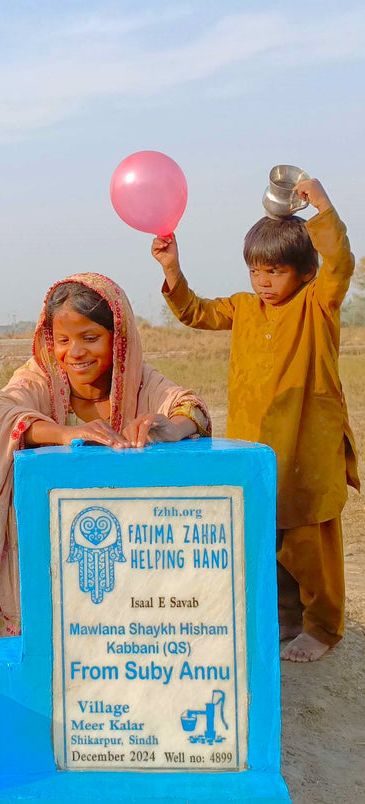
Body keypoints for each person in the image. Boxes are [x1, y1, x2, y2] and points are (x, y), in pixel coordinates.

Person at [152, 178, 357, 662]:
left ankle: (323, 628)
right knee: (266, 534)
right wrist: (172, 268)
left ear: (307, 272)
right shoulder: (244, 309)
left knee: (309, 541)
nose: (263, 282)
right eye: (255, 271)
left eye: (275, 271)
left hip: (309, 445)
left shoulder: (317, 304)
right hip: (257, 445)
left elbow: (342, 263)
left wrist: (323, 208)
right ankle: (286, 618)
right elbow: (195, 312)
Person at [0, 273, 210, 638]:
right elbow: (4, 415)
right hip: (51, 551)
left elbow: (190, 407)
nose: (76, 353)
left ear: (118, 338)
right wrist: (68, 434)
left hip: (128, 550)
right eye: (64, 340)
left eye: (90, 338)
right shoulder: (40, 378)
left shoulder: (140, 380)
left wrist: (168, 427)